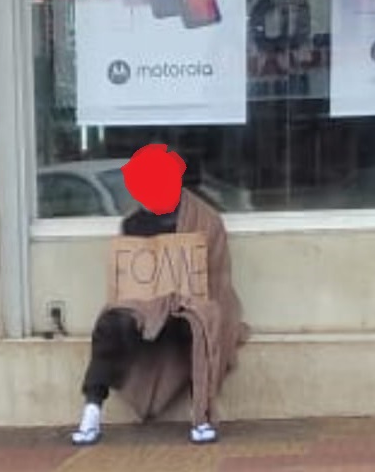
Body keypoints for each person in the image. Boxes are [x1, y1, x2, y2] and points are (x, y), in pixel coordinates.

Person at [71, 187, 248, 446]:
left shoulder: (202, 219)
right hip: (143, 306)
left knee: (199, 326)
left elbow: (214, 275)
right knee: (110, 324)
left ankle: (202, 415)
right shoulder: (133, 223)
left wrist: (181, 296)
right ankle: (92, 412)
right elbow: (126, 277)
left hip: (187, 304)